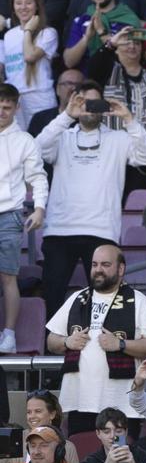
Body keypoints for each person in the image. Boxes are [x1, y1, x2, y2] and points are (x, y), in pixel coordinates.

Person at [37, 83, 146, 315]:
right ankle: (52, 348)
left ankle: (100, 347)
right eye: (83, 101)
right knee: (53, 294)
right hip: (60, 229)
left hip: (101, 230)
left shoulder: (119, 138)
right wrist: (66, 116)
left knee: (103, 297)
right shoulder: (62, 136)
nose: (89, 107)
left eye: (94, 102)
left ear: (103, 106)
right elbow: (36, 150)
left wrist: (129, 119)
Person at [46, 245, 146, 436]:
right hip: (79, 401)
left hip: (122, 405)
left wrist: (121, 344)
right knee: (82, 459)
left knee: (120, 458)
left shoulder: (140, 302)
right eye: (94, 264)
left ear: (121, 269)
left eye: (105, 264)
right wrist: (67, 342)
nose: (98, 269)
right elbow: (51, 340)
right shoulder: (77, 298)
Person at [0, 82, 45, 354]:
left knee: (8, 276)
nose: (2, 112)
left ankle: (9, 334)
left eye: (7, 107)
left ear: (17, 107)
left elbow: (38, 177)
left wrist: (39, 208)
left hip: (10, 215)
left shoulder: (25, 141)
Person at [63, 0, 142, 71]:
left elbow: (130, 60)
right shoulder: (83, 19)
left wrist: (101, 31)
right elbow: (69, 62)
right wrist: (86, 38)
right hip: (87, 82)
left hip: (118, 80)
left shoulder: (129, 20)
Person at [3, 0, 58, 130]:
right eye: (18, 3)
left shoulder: (48, 33)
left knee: (44, 145)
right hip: (15, 99)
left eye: (28, 2)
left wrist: (27, 30)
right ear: (13, 8)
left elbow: (29, 56)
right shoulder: (9, 35)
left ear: (37, 6)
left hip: (40, 97)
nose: (23, 7)